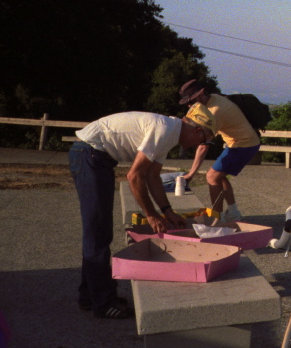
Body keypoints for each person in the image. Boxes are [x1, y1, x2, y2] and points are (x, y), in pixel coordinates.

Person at [69, 106, 216, 319]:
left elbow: (153, 176)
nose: (201, 146)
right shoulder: (164, 129)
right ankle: (103, 302)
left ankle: (89, 296)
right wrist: (151, 214)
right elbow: (135, 176)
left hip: (94, 156)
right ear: (197, 131)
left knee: (98, 230)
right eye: (205, 140)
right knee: (98, 231)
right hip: (90, 155)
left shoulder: (169, 133)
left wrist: (167, 211)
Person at [178, 80, 261, 222]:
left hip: (243, 144)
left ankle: (218, 218)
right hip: (240, 142)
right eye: (188, 102)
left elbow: (203, 145)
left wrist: (192, 173)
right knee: (219, 176)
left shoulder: (215, 111)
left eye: (192, 100)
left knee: (212, 177)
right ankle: (233, 213)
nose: (190, 105)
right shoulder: (213, 99)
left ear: (202, 93)